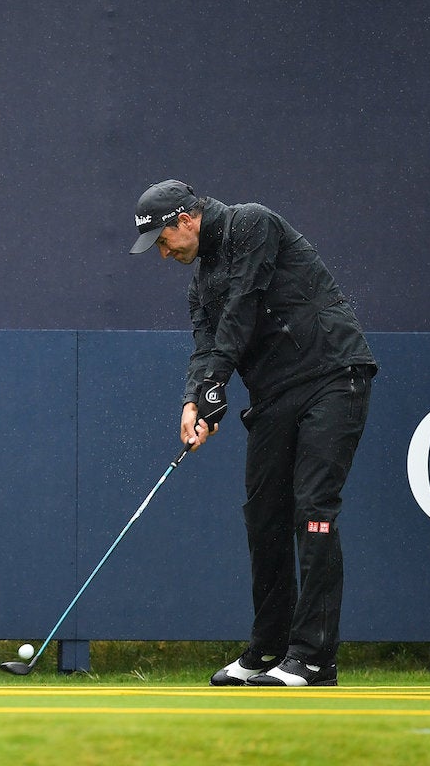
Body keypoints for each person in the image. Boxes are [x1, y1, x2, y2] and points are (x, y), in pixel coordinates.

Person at [129, 179, 377, 687]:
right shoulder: (199, 282)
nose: (163, 253)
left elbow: (244, 302)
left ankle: (313, 657)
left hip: (332, 376)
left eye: (162, 240)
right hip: (274, 396)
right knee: (263, 516)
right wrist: (196, 400)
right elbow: (206, 344)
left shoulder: (252, 223)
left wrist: (218, 380)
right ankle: (269, 649)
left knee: (313, 509)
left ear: (185, 220)